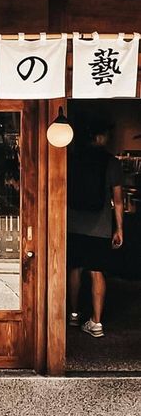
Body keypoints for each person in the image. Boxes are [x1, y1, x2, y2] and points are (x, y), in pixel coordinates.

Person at [67, 120, 124, 338]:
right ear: (100, 137)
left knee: (74, 268)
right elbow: (118, 200)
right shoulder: (111, 162)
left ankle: (72, 314)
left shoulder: (73, 158)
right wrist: (119, 229)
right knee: (97, 272)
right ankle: (96, 322)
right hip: (100, 226)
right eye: (107, 135)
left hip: (73, 223)